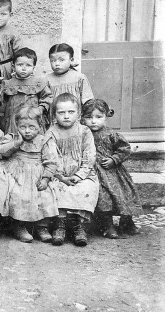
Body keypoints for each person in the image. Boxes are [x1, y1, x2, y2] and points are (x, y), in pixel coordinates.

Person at [0, 106, 60, 243]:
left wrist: (46, 178)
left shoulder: (44, 140)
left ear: (39, 126)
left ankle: (41, 227)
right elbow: (2, 151)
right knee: (19, 196)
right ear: (17, 125)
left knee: (44, 197)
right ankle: (19, 226)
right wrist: (16, 144)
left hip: (38, 173)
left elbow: (52, 161)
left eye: (32, 127)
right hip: (18, 171)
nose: (27, 131)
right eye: (23, 127)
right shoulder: (12, 137)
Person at [82, 99, 142, 239]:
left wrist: (114, 159)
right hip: (93, 171)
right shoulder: (83, 133)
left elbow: (124, 149)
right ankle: (106, 225)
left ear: (106, 116)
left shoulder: (111, 134)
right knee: (104, 198)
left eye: (98, 117)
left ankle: (126, 223)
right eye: (89, 117)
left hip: (113, 172)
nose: (94, 121)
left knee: (124, 194)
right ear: (82, 118)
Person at [46, 93, 99, 246]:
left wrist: (79, 175)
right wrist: (61, 176)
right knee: (55, 188)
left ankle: (79, 226)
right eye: (61, 112)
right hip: (59, 175)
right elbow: (51, 157)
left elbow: (90, 155)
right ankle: (59, 225)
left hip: (82, 174)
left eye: (71, 112)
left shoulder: (84, 131)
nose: (66, 116)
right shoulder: (51, 133)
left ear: (79, 113)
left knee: (86, 188)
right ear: (54, 114)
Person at [0, 48, 53, 134]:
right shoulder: (8, 84)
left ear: (33, 67)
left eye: (28, 65)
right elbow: (2, 103)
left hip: (33, 118)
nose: (24, 68)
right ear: (13, 66)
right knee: (14, 140)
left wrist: (41, 108)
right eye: (20, 65)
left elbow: (48, 96)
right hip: (14, 120)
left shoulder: (38, 83)